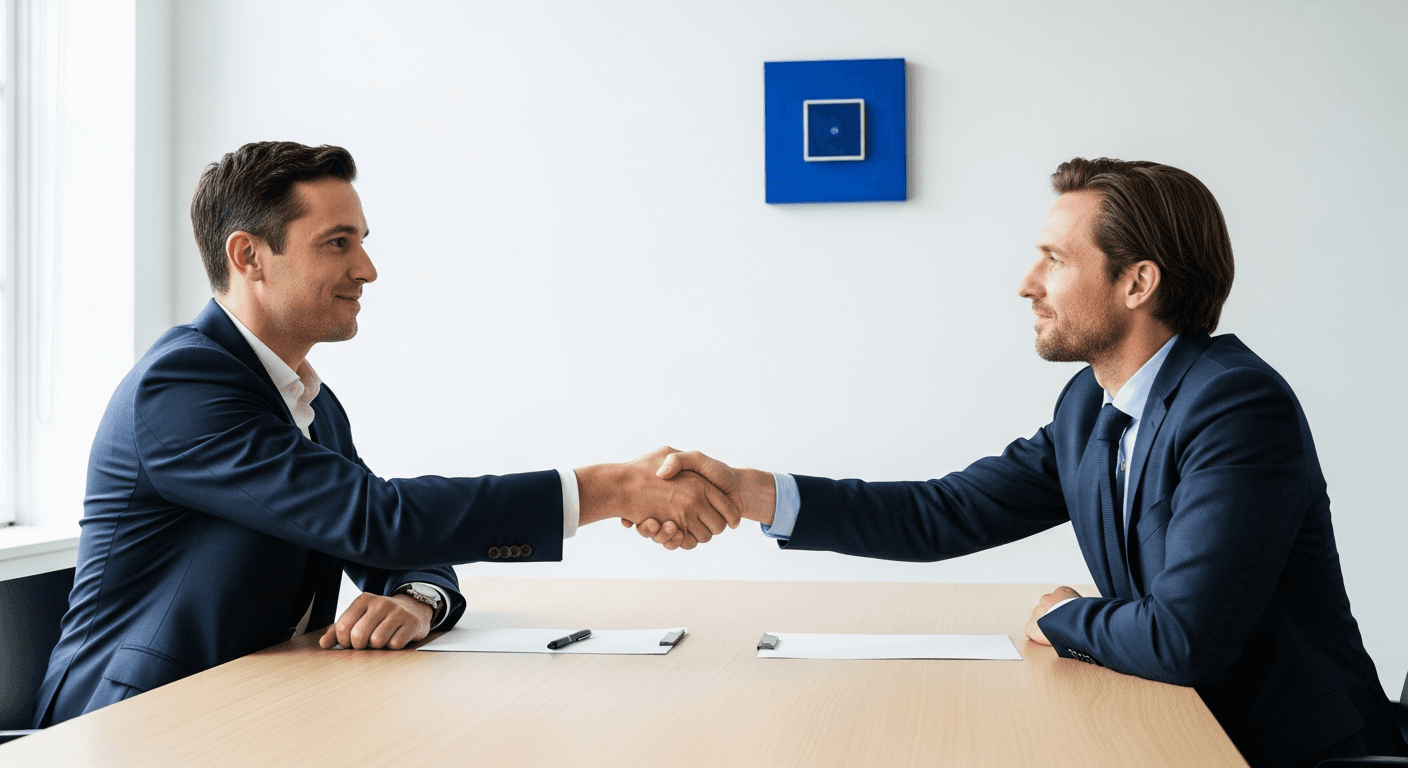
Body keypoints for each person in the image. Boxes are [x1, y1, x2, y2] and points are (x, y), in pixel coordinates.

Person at [636, 158, 1408, 767]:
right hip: (1181, 731)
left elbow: (1184, 639)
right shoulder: (1091, 405)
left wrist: (1060, 619)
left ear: (1138, 281)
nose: (1026, 284)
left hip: (1288, 750)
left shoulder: (1235, 406)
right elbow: (945, 511)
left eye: (1053, 260)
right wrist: (749, 493)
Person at [32, 141, 734, 727]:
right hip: (132, 726)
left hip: (256, 709)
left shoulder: (307, 397)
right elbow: (377, 519)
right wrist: (610, 489)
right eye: (337, 244)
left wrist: (415, 600)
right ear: (248, 255)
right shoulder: (183, 387)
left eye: (362, 242)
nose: (366, 270)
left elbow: (390, 541)